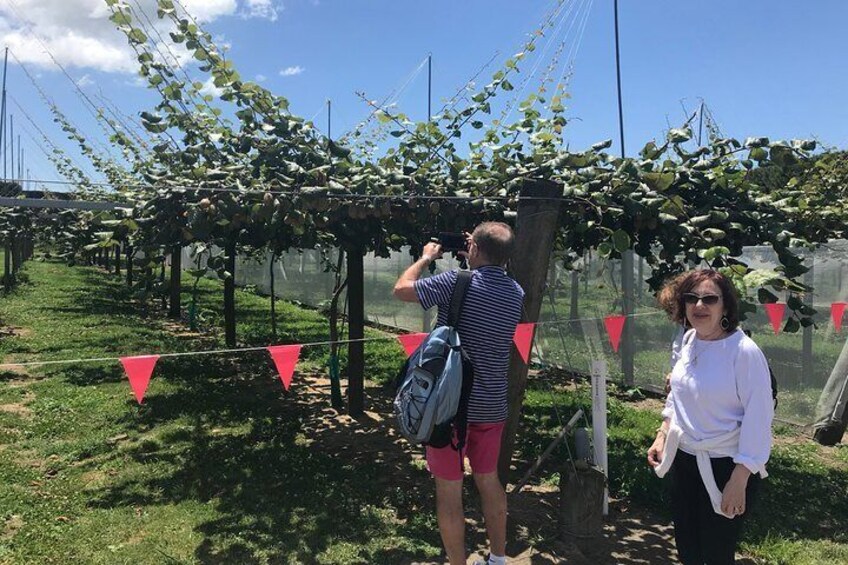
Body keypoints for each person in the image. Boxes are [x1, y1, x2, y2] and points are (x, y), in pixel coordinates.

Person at [393, 221, 524, 565]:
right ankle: (497, 558)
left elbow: (401, 289)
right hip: (491, 405)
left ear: (475, 249)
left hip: (447, 408)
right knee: (489, 481)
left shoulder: (455, 282)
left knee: (449, 490)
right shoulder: (516, 292)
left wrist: (425, 258)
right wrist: (479, 254)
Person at [647, 270, 774, 565]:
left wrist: (740, 477)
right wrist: (663, 433)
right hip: (685, 459)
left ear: (725, 307)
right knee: (688, 549)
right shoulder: (689, 339)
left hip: (726, 466)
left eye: (709, 299)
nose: (699, 306)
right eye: (691, 298)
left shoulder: (743, 352)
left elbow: (759, 417)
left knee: (716, 553)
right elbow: (678, 393)